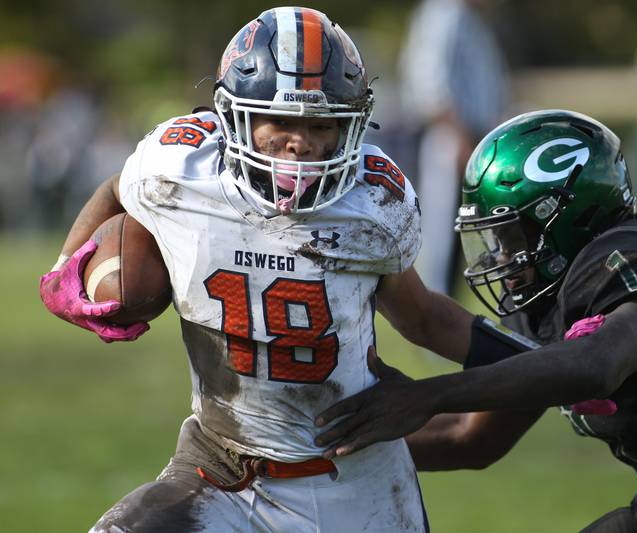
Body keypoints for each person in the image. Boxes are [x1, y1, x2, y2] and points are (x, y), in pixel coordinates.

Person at [37, 7, 506, 531]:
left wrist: (539, 364)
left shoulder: (373, 203)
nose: (301, 141)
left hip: (354, 480)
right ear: (232, 116)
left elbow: (424, 318)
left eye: (321, 124)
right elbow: (118, 186)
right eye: (281, 121)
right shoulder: (182, 168)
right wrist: (64, 268)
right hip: (221, 465)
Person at [315, 110, 637, 533]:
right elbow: (470, 437)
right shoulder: (549, 299)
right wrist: (313, 453)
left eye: (508, 234)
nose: (498, 256)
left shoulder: (631, 258)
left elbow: (597, 365)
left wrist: (426, 395)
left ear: (563, 218)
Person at [398, 0, 509, 295]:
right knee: (442, 240)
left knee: (473, 236)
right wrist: (458, 137)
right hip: (451, 137)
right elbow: (430, 83)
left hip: (475, 138)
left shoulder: (469, 18)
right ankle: (434, 320)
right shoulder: (444, 13)